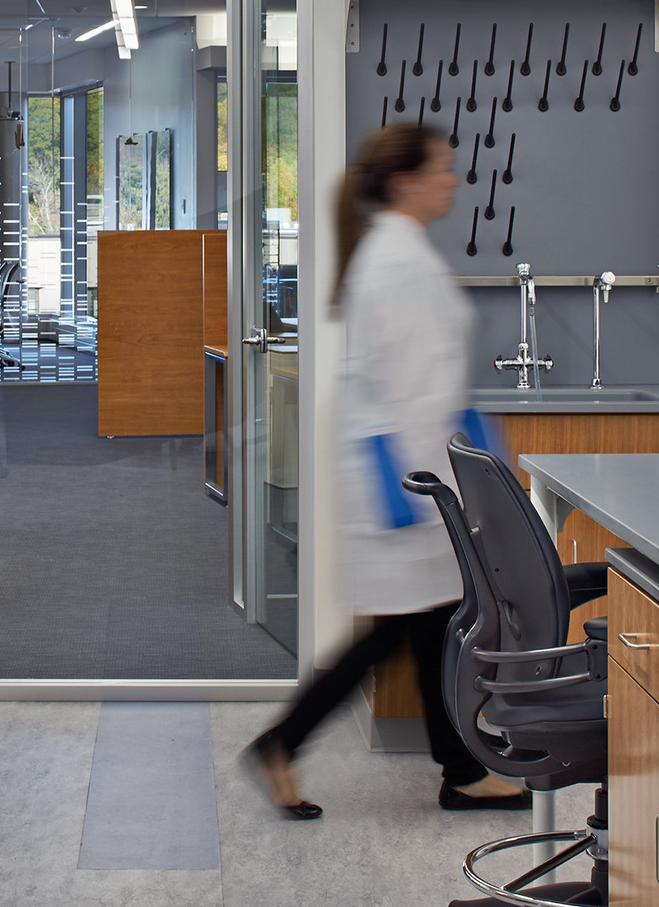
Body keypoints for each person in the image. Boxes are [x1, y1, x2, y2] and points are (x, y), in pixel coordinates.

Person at [243, 121, 529, 820]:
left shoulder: (396, 253)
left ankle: (457, 770)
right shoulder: (397, 262)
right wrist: (448, 488)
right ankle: (287, 742)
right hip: (405, 480)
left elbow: (422, 386)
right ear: (406, 180)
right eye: (442, 169)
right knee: (407, 628)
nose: (453, 180)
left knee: (426, 626)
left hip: (406, 472)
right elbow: (412, 393)